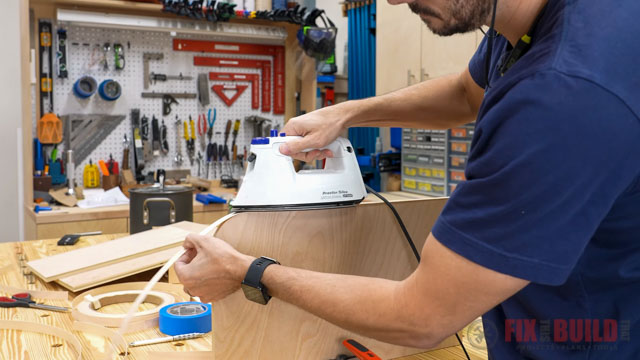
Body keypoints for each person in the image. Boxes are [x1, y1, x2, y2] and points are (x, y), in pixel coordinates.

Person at [175, 0, 640, 358]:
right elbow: (465, 93)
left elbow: (421, 315)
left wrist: (247, 270)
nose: (393, 2)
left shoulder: (562, 96)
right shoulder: (528, 23)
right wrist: (350, 113)